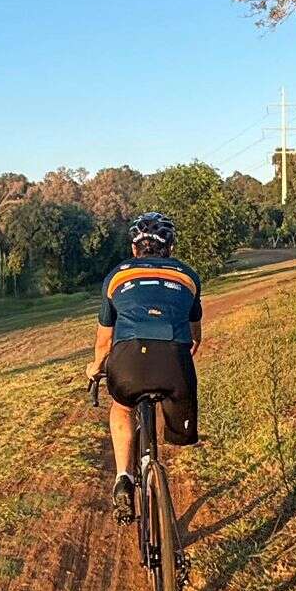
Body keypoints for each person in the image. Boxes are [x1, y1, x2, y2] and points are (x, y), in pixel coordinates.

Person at [87, 211, 202, 522]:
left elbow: (104, 341)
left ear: (134, 248)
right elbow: (195, 338)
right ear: (171, 248)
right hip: (175, 363)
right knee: (173, 393)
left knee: (122, 406)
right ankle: (160, 448)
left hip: (128, 362)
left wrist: (95, 368)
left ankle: (123, 477)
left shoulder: (117, 276)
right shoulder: (188, 276)